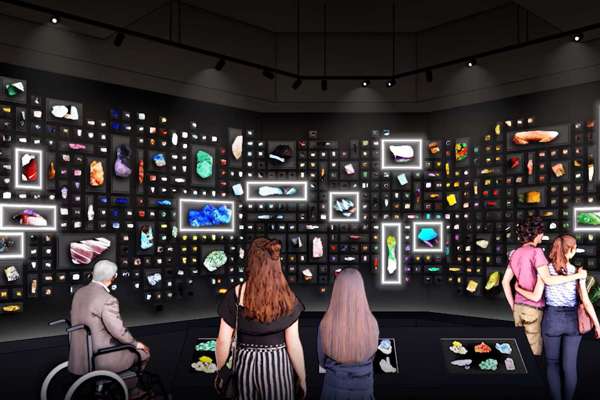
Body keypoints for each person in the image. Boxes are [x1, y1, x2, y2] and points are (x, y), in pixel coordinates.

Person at [216, 238, 307, 400]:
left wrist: (221, 373)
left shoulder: (236, 293)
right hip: (277, 365)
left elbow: (223, 340)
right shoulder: (287, 297)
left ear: (251, 262)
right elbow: (293, 343)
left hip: (244, 365)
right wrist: (302, 378)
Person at [514, 235, 600, 400]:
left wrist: (518, 289)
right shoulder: (578, 272)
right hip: (572, 322)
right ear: (571, 250)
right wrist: (597, 324)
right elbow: (586, 302)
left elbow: (535, 296)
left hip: (552, 320)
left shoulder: (545, 271)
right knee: (570, 366)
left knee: (552, 364)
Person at [501, 216, 585, 355]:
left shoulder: (515, 253)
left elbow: (505, 282)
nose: (542, 236)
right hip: (533, 309)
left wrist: (513, 305)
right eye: (542, 232)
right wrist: (577, 275)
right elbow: (548, 280)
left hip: (518, 308)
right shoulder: (537, 252)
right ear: (538, 233)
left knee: (521, 348)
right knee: (533, 352)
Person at [69, 260, 150, 395]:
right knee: (143, 353)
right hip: (100, 357)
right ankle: (131, 391)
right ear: (113, 277)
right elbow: (118, 331)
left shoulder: (79, 292)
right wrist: (136, 344)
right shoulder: (107, 299)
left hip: (79, 354)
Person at [318, 268, 379, 400]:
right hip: (364, 390)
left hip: (332, 389)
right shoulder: (372, 323)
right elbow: (372, 357)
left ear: (337, 291)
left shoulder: (325, 324)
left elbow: (322, 362)